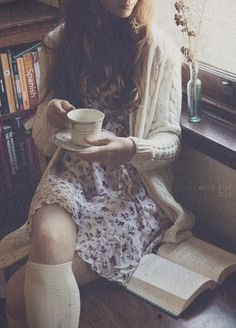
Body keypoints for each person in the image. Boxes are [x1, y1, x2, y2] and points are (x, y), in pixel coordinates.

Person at [4, 0, 195, 327]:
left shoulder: (159, 50)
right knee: (47, 239)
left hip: (132, 189)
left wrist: (132, 148)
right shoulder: (59, 43)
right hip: (72, 175)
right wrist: (49, 115)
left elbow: (170, 140)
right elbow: (41, 134)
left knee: (18, 290)